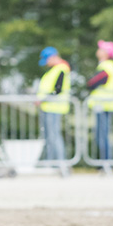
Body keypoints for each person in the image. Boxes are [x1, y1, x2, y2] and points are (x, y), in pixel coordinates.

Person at [85, 39, 113, 173]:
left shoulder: (107, 66)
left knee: (102, 136)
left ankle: (106, 164)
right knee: (102, 135)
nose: (98, 50)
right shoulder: (109, 65)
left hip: (104, 104)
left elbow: (93, 82)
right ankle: (105, 164)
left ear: (105, 53)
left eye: (101, 49)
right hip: (105, 104)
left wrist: (90, 83)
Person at [36, 46, 71, 176]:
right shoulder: (54, 70)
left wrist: (43, 99)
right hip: (48, 107)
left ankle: (60, 164)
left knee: (55, 137)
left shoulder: (61, 69)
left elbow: (58, 89)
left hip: (55, 107)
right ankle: (51, 164)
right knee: (49, 137)